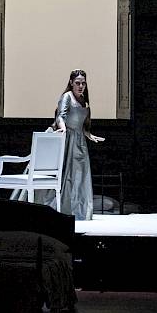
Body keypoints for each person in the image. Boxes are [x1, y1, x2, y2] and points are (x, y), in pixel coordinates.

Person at [52, 69, 104, 221]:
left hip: (80, 142)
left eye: (83, 83)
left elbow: (83, 125)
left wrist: (89, 135)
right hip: (67, 139)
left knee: (80, 176)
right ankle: (62, 209)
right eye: (77, 83)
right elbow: (60, 116)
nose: (81, 86)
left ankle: (79, 211)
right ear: (71, 83)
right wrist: (63, 128)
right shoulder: (67, 96)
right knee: (67, 175)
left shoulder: (84, 101)